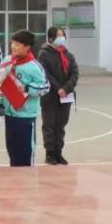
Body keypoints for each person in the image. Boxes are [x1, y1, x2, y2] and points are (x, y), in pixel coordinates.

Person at [0, 30, 50, 167]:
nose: (13, 47)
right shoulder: (7, 61)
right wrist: (0, 103)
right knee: (12, 151)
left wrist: (27, 88)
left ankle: (28, 182)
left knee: (25, 153)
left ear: (27, 47)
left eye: (18, 45)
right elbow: (2, 84)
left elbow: (45, 87)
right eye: (12, 44)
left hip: (25, 116)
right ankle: (14, 183)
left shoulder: (34, 67)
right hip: (9, 115)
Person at [37, 26, 78, 165]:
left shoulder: (68, 54)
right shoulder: (44, 54)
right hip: (50, 95)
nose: (62, 38)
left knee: (61, 125)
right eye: (59, 35)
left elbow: (74, 73)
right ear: (51, 38)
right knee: (49, 125)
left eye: (63, 35)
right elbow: (44, 73)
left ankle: (59, 153)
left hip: (66, 96)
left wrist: (66, 88)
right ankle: (50, 154)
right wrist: (58, 88)